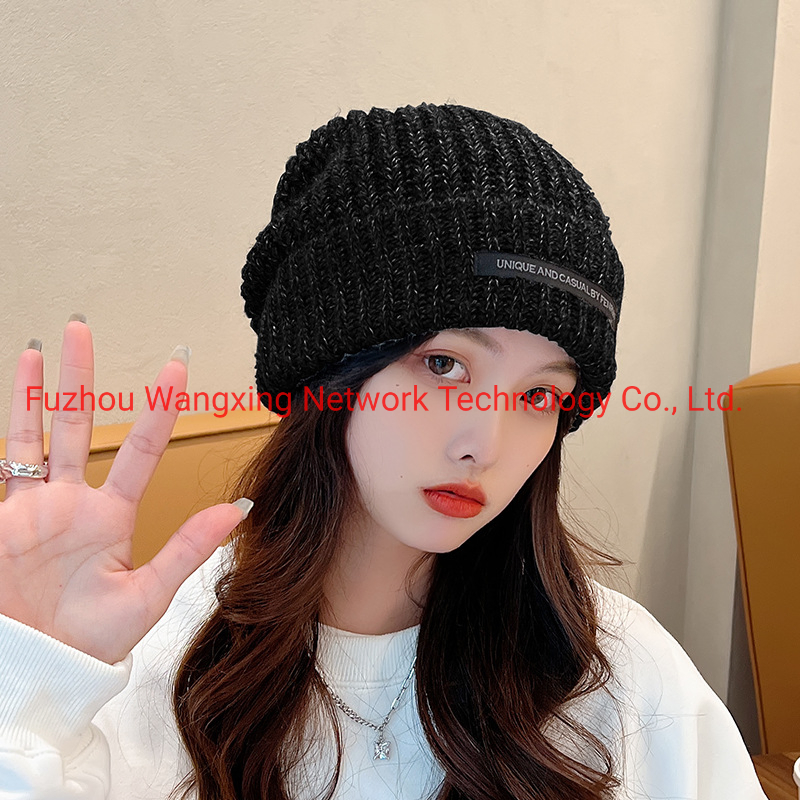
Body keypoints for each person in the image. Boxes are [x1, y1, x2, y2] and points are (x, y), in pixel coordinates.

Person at [0, 103, 767, 800]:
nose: (484, 445)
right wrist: (24, 687)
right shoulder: (140, 662)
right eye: (444, 364)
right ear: (328, 369)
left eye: (539, 396)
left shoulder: (617, 675)